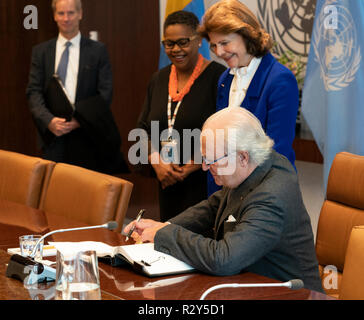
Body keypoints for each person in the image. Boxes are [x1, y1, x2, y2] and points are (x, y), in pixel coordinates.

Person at [125, 107, 323, 293]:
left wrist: (165, 234)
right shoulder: (254, 166)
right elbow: (216, 205)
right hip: (250, 287)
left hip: (290, 295)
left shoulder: (272, 196)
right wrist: (164, 225)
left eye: (211, 160)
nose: (204, 167)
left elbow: (224, 259)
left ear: (243, 157)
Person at [198, 0, 299, 195]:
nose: (219, 53)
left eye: (225, 43)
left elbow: (278, 153)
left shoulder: (280, 80)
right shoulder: (225, 78)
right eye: (214, 46)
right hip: (227, 190)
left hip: (265, 193)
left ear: (247, 35)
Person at [137, 10, 226, 221]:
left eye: (183, 42)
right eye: (169, 43)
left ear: (198, 41)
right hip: (167, 182)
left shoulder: (219, 77)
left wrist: (195, 163)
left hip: (206, 185)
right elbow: (142, 128)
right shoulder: (159, 79)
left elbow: (228, 132)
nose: (176, 49)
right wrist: (156, 160)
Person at [26, 0, 126, 174]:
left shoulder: (98, 51)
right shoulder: (41, 52)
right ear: (54, 16)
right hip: (53, 137)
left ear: (80, 14)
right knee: (54, 193)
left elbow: (105, 93)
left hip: (87, 135)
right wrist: (48, 120)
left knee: (86, 193)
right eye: (61, 13)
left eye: (71, 13)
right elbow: (33, 92)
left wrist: (81, 120)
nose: (66, 18)